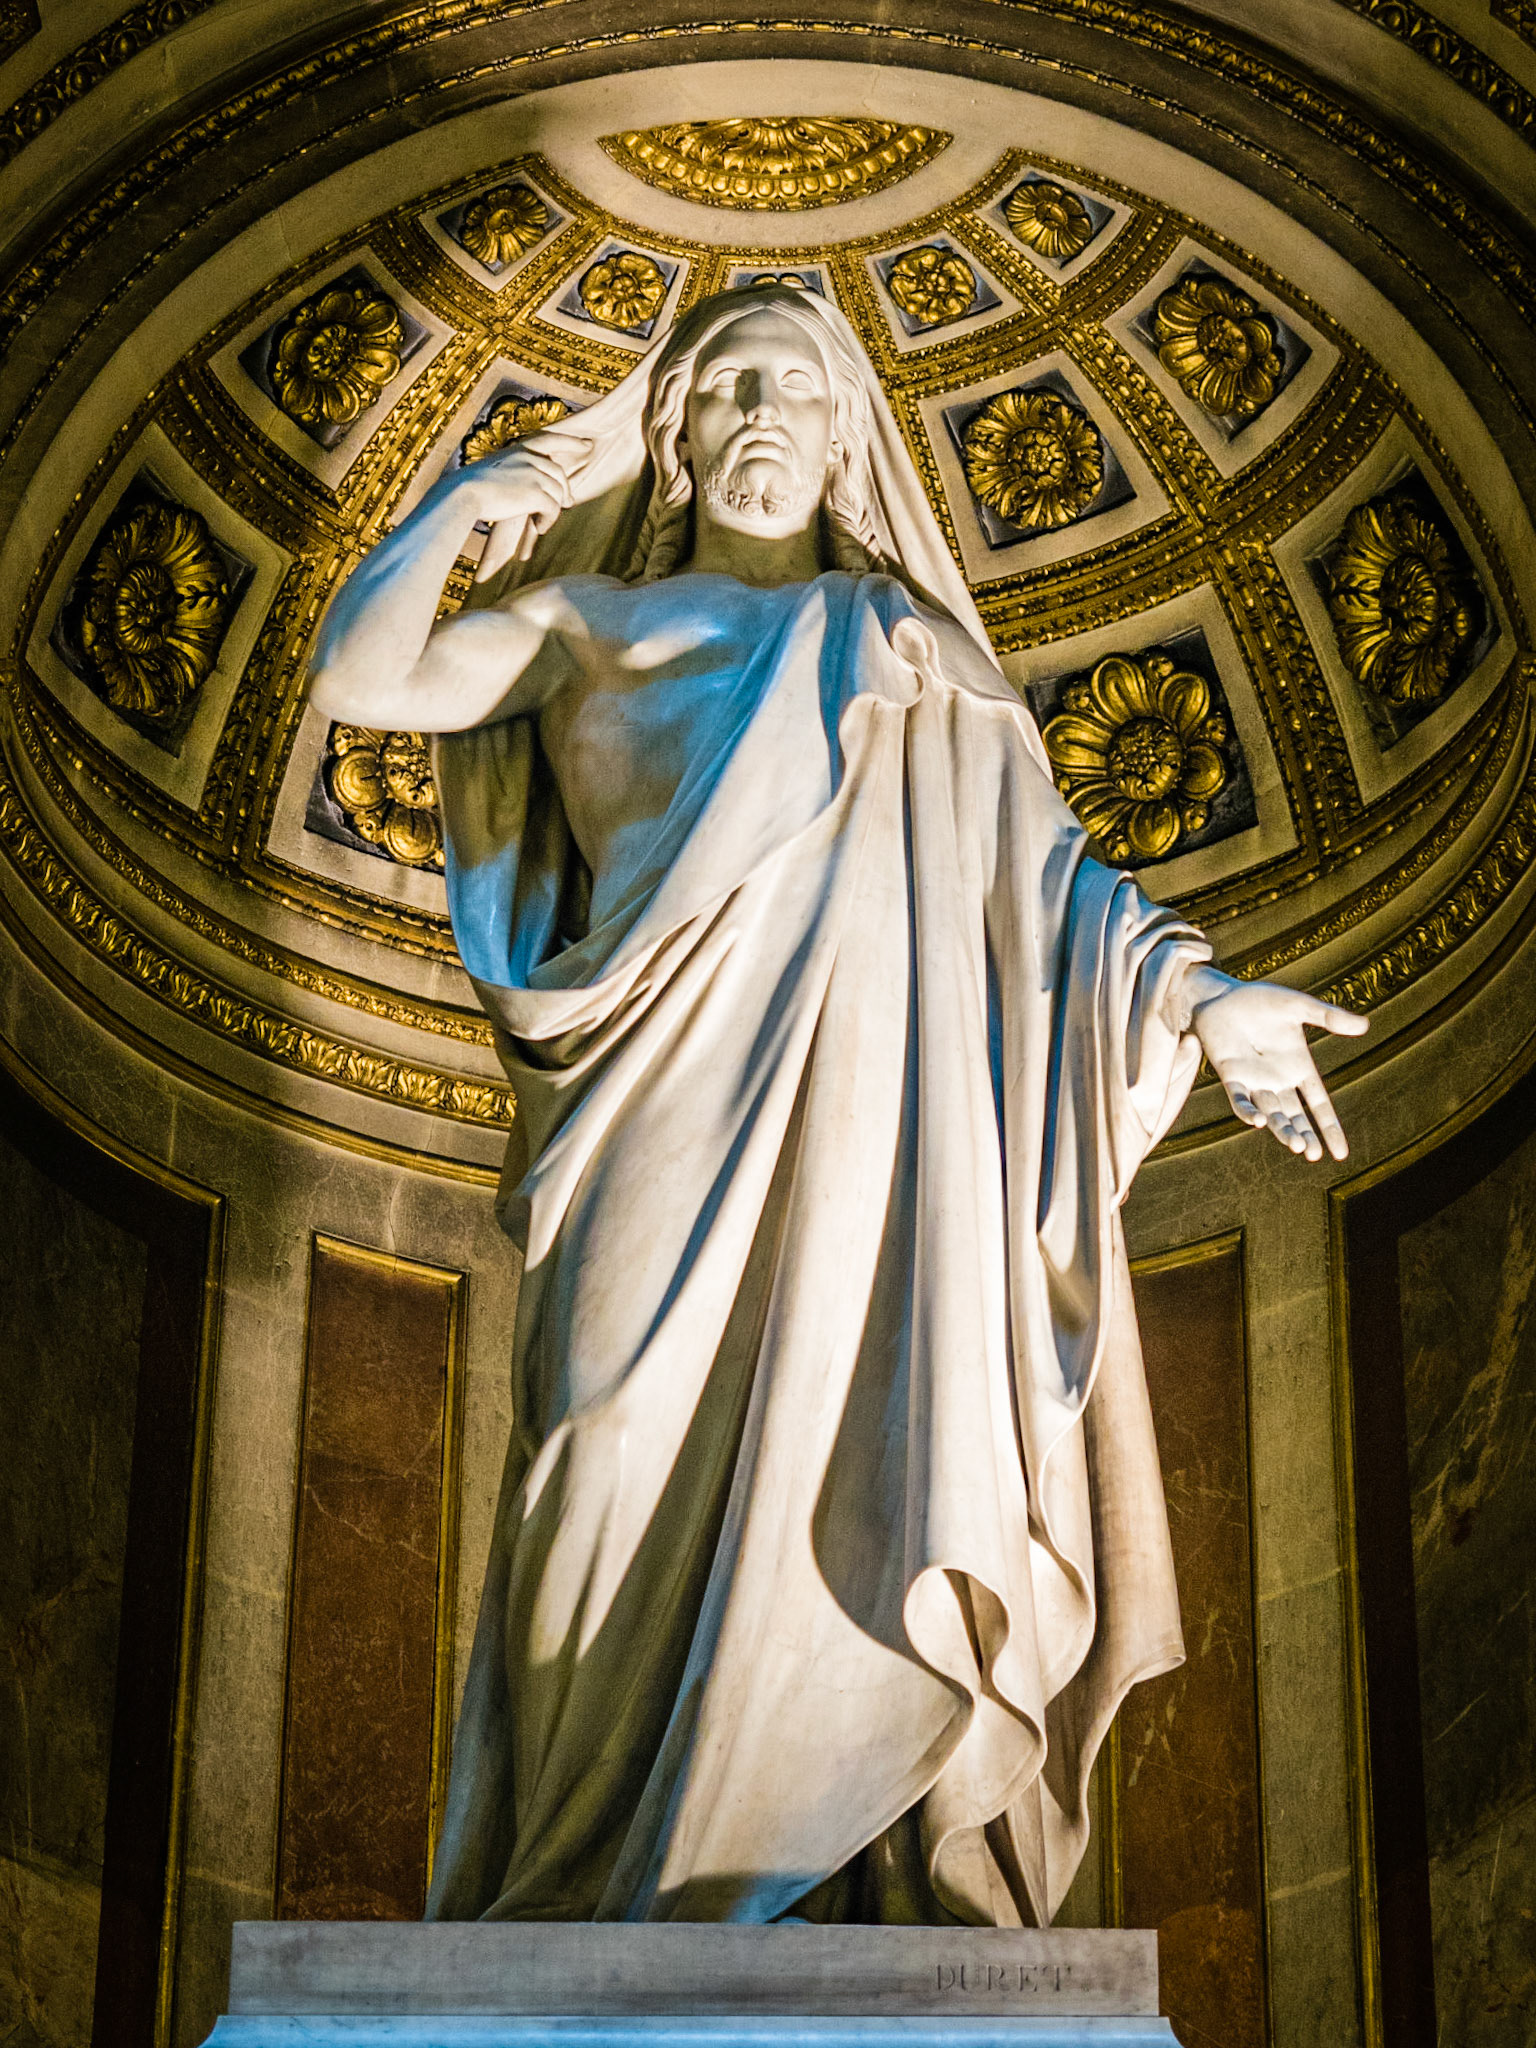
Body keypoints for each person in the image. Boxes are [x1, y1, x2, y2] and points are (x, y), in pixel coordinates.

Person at [310, 284, 1365, 1928]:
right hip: (645, 1118)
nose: (759, 415)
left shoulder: (906, 642)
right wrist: (467, 502)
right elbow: (367, 682)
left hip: (876, 1152)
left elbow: (1047, 891)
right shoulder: (587, 623)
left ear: (845, 434)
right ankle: (575, 1904)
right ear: (675, 431)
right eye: (726, 387)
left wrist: (1200, 998)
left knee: (868, 1464)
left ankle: (830, 1879)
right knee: (596, 1447)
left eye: (794, 388)